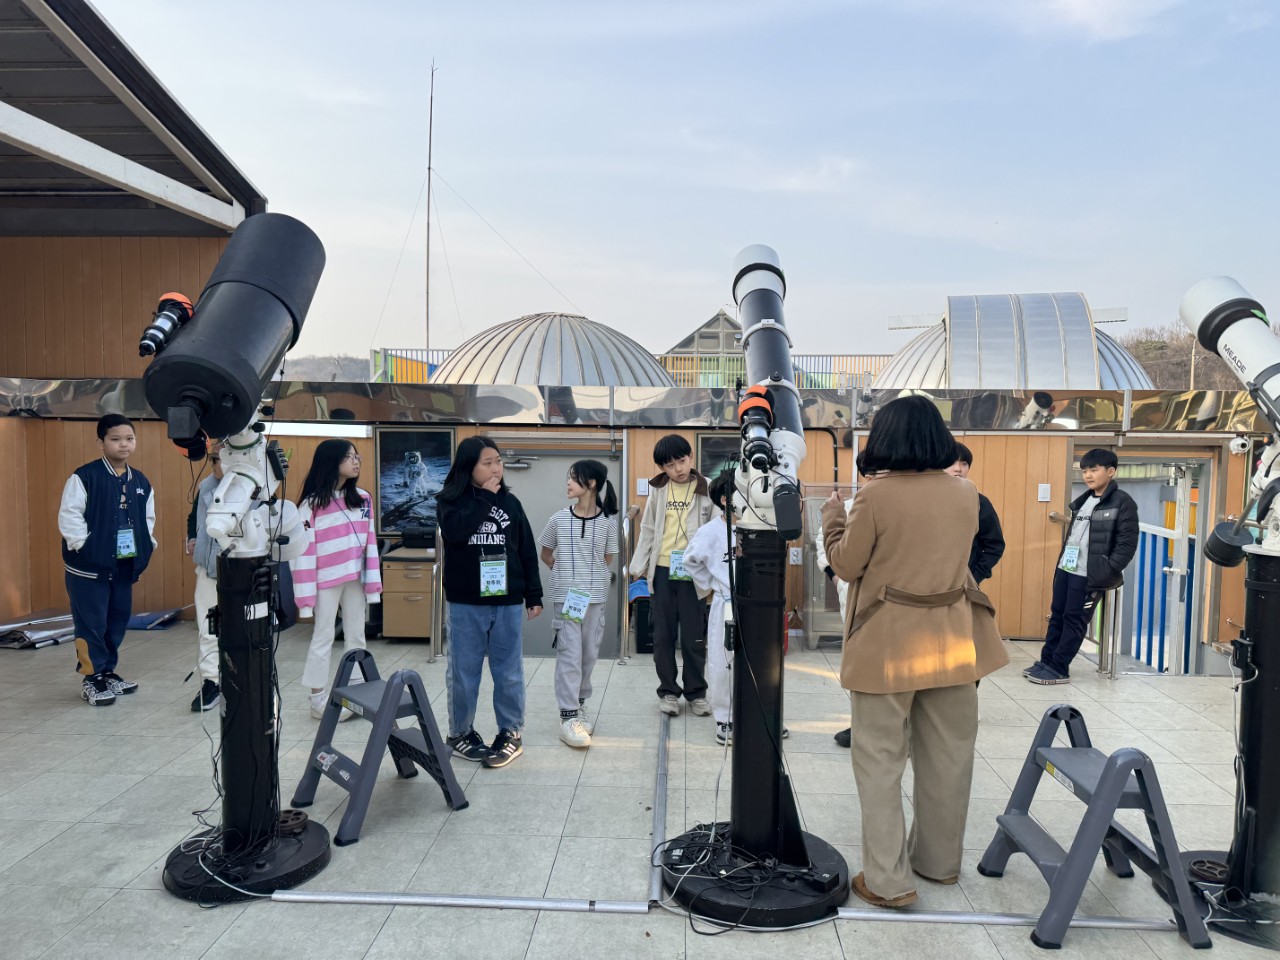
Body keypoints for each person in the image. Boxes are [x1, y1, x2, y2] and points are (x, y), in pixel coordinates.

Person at [822, 395, 1007, 908]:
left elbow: (846, 564)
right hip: (953, 640)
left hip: (887, 644)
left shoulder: (875, 497)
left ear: (886, 438)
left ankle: (886, 881)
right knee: (948, 757)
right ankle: (938, 864)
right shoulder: (966, 493)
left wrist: (833, 516)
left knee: (880, 761)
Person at [438, 436, 543, 768]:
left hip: (507, 600)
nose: (496, 467)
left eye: (498, 461)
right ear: (469, 467)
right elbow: (457, 532)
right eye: (488, 462)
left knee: (509, 671)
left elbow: (525, 548)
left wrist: (533, 594)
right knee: (463, 673)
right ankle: (459, 733)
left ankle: (510, 733)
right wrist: (485, 497)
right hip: (466, 602)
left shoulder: (511, 502)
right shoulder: (449, 501)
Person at [58, 413, 156, 706]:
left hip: (123, 567)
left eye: (129, 439)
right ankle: (91, 677)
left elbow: (148, 519)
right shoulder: (84, 477)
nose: (123, 445)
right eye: (115, 439)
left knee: (116, 620)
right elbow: (70, 516)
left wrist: (146, 545)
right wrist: (85, 547)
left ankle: (107, 671)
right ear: (101, 442)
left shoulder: (140, 480)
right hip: (88, 569)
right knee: (91, 623)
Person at [1026, 448, 1138, 685]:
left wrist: (1106, 570)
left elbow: (1127, 545)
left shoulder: (1123, 502)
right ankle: (1047, 660)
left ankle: (1059, 667)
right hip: (1068, 569)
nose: (1088, 475)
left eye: (1093, 470)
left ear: (1110, 471)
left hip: (1090, 574)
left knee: (1075, 619)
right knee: (1058, 615)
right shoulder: (1085, 500)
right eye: (1085, 470)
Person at [293, 440, 382, 720]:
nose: (356, 461)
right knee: (323, 636)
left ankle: (355, 693)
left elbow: (370, 544)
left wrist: (373, 585)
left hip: (355, 577)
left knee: (357, 634)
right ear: (331, 461)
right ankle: (317, 698)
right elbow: (302, 554)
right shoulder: (311, 505)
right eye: (349, 457)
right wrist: (305, 601)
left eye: (357, 456)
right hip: (324, 582)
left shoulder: (363, 498)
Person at [631, 434, 714, 717]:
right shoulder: (658, 489)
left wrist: (714, 573)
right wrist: (638, 565)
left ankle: (697, 693)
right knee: (663, 636)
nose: (678, 469)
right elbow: (649, 528)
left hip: (693, 573)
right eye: (670, 465)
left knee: (693, 638)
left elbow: (714, 533)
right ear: (663, 468)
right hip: (664, 570)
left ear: (691, 458)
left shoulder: (707, 489)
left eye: (681, 461)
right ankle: (668, 691)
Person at [539, 459, 619, 749]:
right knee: (569, 655)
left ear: (592, 484)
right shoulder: (558, 519)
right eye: (568, 478)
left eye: (573, 479)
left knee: (588, 655)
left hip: (595, 598)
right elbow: (546, 553)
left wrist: (587, 577)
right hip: (566, 599)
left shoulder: (608, 523)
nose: (568, 484)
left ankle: (581, 703)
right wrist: (565, 573)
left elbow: (607, 559)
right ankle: (568, 716)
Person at [684, 470, 737, 745]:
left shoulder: (758, 527)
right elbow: (690, 560)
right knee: (723, 661)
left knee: (762, 661)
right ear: (727, 500)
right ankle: (725, 718)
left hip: (757, 604)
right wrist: (712, 586)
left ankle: (760, 715)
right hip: (726, 603)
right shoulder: (710, 532)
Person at [184, 442, 224, 712]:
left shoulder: (257, 487)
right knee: (208, 628)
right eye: (214, 459)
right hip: (209, 569)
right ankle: (212, 681)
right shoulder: (207, 486)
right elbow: (192, 518)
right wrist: (193, 539)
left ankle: (241, 678)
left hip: (244, 571)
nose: (218, 465)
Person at [946, 442, 1006, 585]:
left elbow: (995, 545)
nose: (958, 469)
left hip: (964, 585)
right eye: (951, 463)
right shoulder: (926, 500)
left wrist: (974, 577)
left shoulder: (980, 502)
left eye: (964, 464)